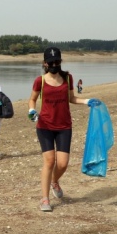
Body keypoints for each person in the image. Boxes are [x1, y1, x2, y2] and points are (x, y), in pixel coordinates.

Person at [28, 48, 92, 212]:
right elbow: (32, 100)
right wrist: (32, 110)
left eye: (57, 62)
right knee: (49, 161)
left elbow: (71, 98)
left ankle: (54, 181)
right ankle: (45, 199)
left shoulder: (67, 78)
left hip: (64, 126)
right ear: (45, 63)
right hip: (45, 126)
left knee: (62, 164)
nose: (54, 65)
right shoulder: (39, 81)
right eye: (51, 62)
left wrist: (87, 101)